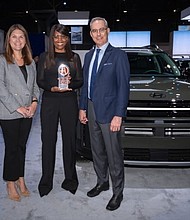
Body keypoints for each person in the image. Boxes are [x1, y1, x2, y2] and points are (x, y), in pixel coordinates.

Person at [79, 17, 130, 211]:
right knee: (97, 150)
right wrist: (83, 107)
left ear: (107, 31)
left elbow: (123, 88)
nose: (98, 33)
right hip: (91, 109)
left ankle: (118, 192)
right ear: (90, 34)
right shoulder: (89, 56)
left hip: (110, 113)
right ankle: (102, 182)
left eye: (101, 30)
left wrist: (119, 114)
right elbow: (86, 85)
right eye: (94, 31)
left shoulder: (118, 56)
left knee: (113, 153)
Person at [37, 24, 83, 197]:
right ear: (51, 38)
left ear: (67, 38)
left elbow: (80, 81)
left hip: (69, 102)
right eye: (56, 37)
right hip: (49, 102)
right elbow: (40, 81)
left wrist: (70, 84)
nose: (59, 40)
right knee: (48, 141)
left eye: (63, 37)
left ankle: (70, 179)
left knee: (69, 141)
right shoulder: (44, 57)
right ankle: (46, 181)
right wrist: (51, 88)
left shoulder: (74, 58)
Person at [0, 24, 40, 202]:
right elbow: (1, 88)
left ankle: (20, 178)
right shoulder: (2, 60)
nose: (17, 40)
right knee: (11, 149)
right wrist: (18, 107)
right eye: (14, 37)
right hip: (10, 112)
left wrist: (34, 103)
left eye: (21, 37)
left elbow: (35, 87)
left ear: (25, 40)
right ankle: (10, 181)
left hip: (28, 113)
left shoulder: (30, 62)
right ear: (8, 40)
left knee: (22, 147)